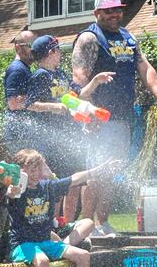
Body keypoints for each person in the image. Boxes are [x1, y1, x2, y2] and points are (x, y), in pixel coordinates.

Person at [71, 0, 157, 236]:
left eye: (118, 10)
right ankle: (86, 226)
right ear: (97, 13)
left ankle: (104, 222)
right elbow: (78, 83)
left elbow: (144, 67)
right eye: (109, 11)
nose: (115, 14)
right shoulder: (89, 39)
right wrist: (86, 114)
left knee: (112, 171)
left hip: (122, 117)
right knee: (95, 173)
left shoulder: (128, 37)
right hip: (98, 118)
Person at [8, 149, 116, 267]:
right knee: (41, 262)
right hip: (23, 244)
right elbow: (11, 192)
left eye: (38, 168)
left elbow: (74, 179)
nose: (35, 173)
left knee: (83, 256)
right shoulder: (17, 189)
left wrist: (96, 171)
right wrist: (14, 187)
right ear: (21, 170)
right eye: (30, 168)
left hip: (46, 242)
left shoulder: (48, 186)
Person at [25, 34, 115, 222]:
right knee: (55, 184)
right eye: (58, 50)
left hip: (71, 134)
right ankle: (52, 223)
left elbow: (79, 95)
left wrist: (96, 81)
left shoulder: (61, 74)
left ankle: (70, 223)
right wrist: (56, 107)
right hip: (52, 139)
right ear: (51, 53)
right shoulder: (39, 76)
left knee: (73, 183)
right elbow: (31, 104)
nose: (60, 54)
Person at [3, 28, 36, 155]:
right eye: (30, 46)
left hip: (23, 135)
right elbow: (12, 103)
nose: (34, 50)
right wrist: (41, 102)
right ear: (17, 48)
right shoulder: (17, 69)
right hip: (19, 137)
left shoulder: (24, 68)